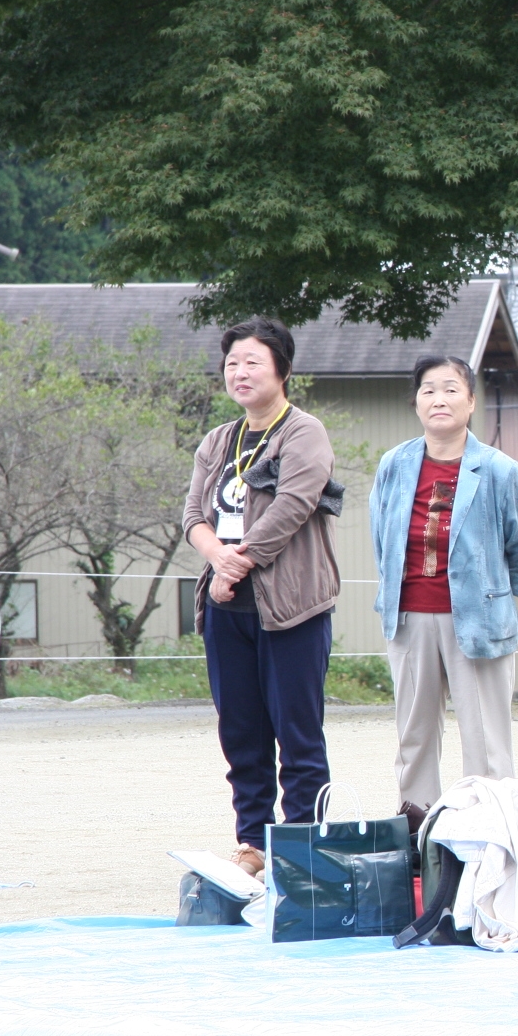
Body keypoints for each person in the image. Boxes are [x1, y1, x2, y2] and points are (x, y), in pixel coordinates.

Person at [184, 317, 342, 877]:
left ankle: (301, 844)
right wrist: (217, 558)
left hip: (291, 607)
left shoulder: (304, 432)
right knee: (241, 733)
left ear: (283, 369)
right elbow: (193, 514)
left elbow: (294, 505)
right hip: (226, 606)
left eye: (253, 361)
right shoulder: (218, 440)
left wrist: (238, 561)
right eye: (232, 363)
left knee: (298, 733)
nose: (240, 372)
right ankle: (252, 841)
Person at [370, 355, 518, 816]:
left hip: (479, 619)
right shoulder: (395, 464)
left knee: (485, 737)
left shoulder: (499, 469)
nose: (438, 399)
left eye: (450, 389)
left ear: (470, 401)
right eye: (428, 390)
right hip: (409, 618)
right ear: (416, 402)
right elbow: (381, 536)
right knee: (414, 734)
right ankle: (418, 825)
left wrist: (506, 595)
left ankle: (488, 827)